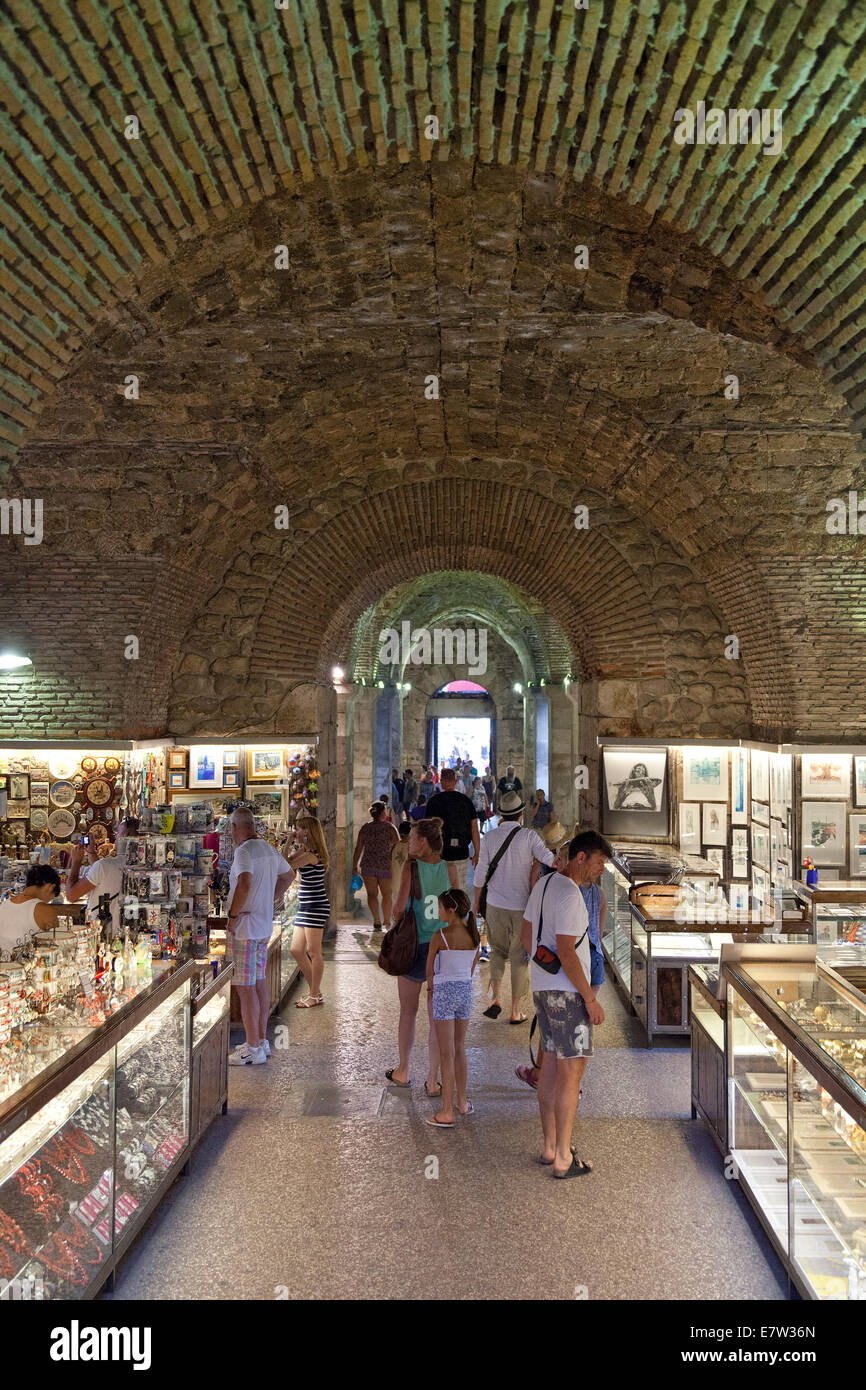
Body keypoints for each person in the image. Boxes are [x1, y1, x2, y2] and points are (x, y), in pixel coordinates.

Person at [521, 830, 610, 1176]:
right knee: (572, 1073)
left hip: (543, 989)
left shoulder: (544, 885)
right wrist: (590, 998)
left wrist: (542, 965)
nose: (601, 870)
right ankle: (563, 1158)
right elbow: (568, 952)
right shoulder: (572, 896)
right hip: (569, 995)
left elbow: (527, 935)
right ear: (581, 857)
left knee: (551, 1070)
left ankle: (549, 1146)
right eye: (599, 862)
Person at [385, 818, 458, 1097]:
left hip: (414, 948)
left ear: (424, 842)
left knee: (408, 1012)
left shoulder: (411, 867)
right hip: (441, 949)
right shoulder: (449, 869)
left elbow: (399, 909)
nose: (409, 843)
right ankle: (432, 1079)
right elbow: (457, 911)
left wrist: (398, 917)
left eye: (413, 838)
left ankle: (403, 1070)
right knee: (436, 1016)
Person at [473, 790, 554, 1024]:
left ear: (501, 815)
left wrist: (477, 901)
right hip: (522, 909)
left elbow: (480, 873)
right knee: (520, 958)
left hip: (495, 905)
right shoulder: (529, 837)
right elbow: (550, 859)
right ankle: (515, 1011)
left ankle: (496, 998)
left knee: (497, 952)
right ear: (521, 814)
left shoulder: (489, 837)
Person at [226, 807, 295, 1065]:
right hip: (262, 925)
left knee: (245, 988)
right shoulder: (267, 848)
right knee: (258, 982)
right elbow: (289, 875)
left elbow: (244, 883)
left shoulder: (244, 852)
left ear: (235, 828)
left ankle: (253, 1046)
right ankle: (260, 1040)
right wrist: (270, 897)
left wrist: (233, 915)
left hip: (245, 927)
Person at [425, 888, 480, 1127]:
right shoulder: (475, 938)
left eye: (440, 907)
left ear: (452, 909)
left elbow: (429, 970)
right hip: (465, 992)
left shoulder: (441, 935)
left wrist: (431, 991)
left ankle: (446, 1111)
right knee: (460, 1048)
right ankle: (462, 1101)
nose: (438, 911)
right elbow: (471, 969)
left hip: (444, 993)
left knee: (445, 1053)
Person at [65, 818, 139, 934]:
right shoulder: (140, 865)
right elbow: (102, 874)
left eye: (118, 832)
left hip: (103, 934)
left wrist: (76, 862)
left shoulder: (104, 866)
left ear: (126, 835)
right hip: (130, 932)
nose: (115, 835)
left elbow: (71, 895)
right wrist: (91, 852)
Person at [288, 815, 331, 1008]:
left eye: (301, 829)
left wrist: (290, 841)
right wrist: (289, 842)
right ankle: (316, 990)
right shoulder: (305, 851)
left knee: (314, 952)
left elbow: (287, 865)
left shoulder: (313, 855)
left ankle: (314, 994)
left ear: (309, 832)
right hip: (306, 905)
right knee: (296, 949)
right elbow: (284, 861)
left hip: (315, 905)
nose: (298, 832)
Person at [424, 767, 480, 890]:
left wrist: (426, 853)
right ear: (455, 782)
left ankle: (440, 910)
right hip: (461, 853)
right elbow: (474, 829)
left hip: (439, 854)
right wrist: (477, 853)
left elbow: (428, 830)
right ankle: (458, 909)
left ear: (441, 781)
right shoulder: (466, 801)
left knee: (439, 890)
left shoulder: (433, 802)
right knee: (459, 890)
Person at [0, 865, 76, 953]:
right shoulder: (45, 910)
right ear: (50, 887)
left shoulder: (4, 905)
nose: (47, 901)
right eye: (50, 899)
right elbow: (58, 944)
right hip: (30, 963)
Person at [352, 801, 399, 932]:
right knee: (387, 895)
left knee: (372, 894)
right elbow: (398, 846)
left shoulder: (365, 828)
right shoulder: (390, 828)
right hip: (385, 865)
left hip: (368, 865)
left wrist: (354, 865)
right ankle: (387, 921)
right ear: (383, 812)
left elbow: (358, 849)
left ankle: (376, 920)